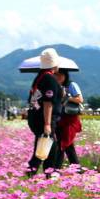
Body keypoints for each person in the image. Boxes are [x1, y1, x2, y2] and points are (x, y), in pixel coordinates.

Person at [26, 48, 64, 176]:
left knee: (43, 146)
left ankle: (32, 172)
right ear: (54, 63)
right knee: (50, 147)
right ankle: (48, 174)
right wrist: (47, 124)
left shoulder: (40, 77)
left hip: (36, 117)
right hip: (44, 119)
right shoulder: (50, 79)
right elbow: (48, 103)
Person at [55, 70, 83, 168]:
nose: (58, 77)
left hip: (70, 119)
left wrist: (66, 97)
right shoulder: (54, 85)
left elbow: (80, 99)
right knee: (66, 145)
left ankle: (56, 169)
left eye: (60, 74)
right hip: (59, 119)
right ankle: (76, 168)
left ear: (65, 75)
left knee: (63, 144)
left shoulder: (71, 85)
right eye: (56, 74)